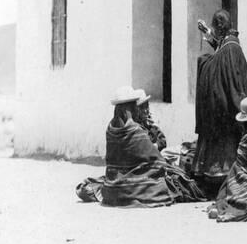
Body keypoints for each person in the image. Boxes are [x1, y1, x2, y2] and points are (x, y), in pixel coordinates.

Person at [76, 86, 205, 207]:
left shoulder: (111, 130)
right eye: (134, 107)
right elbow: (157, 161)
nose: (137, 110)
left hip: (113, 185)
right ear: (129, 109)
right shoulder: (135, 131)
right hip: (135, 187)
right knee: (182, 182)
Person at [193, 9, 247, 197]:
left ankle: (223, 183)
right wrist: (208, 34)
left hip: (225, 108)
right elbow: (221, 51)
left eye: (214, 27)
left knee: (225, 149)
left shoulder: (231, 48)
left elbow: (231, 75)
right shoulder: (229, 44)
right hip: (222, 107)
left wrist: (239, 104)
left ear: (219, 27)